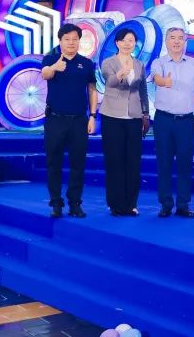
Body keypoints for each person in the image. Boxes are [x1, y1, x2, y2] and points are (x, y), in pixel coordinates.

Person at [40, 23, 98, 218]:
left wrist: (93, 116)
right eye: (67, 39)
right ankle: (56, 203)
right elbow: (45, 74)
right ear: (60, 41)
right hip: (55, 120)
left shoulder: (86, 63)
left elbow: (92, 89)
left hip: (79, 121)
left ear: (79, 41)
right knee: (53, 162)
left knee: (78, 164)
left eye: (74, 39)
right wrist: (55, 67)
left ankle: (75, 203)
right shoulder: (51, 59)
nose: (71, 42)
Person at [150, 27, 194, 218]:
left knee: (185, 163)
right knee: (163, 162)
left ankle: (183, 204)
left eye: (180, 38)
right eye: (172, 38)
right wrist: (164, 82)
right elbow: (157, 79)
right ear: (166, 41)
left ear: (185, 42)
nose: (176, 41)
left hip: (186, 121)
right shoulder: (159, 62)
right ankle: (165, 204)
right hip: (163, 120)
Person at [98, 28, 149, 217]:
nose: (128, 44)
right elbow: (110, 82)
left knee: (133, 161)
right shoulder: (108, 62)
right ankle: (115, 204)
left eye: (132, 41)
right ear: (117, 43)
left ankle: (131, 204)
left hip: (134, 117)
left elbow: (143, 90)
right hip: (112, 116)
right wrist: (120, 74)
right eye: (125, 40)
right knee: (114, 160)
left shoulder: (139, 64)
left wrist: (145, 113)